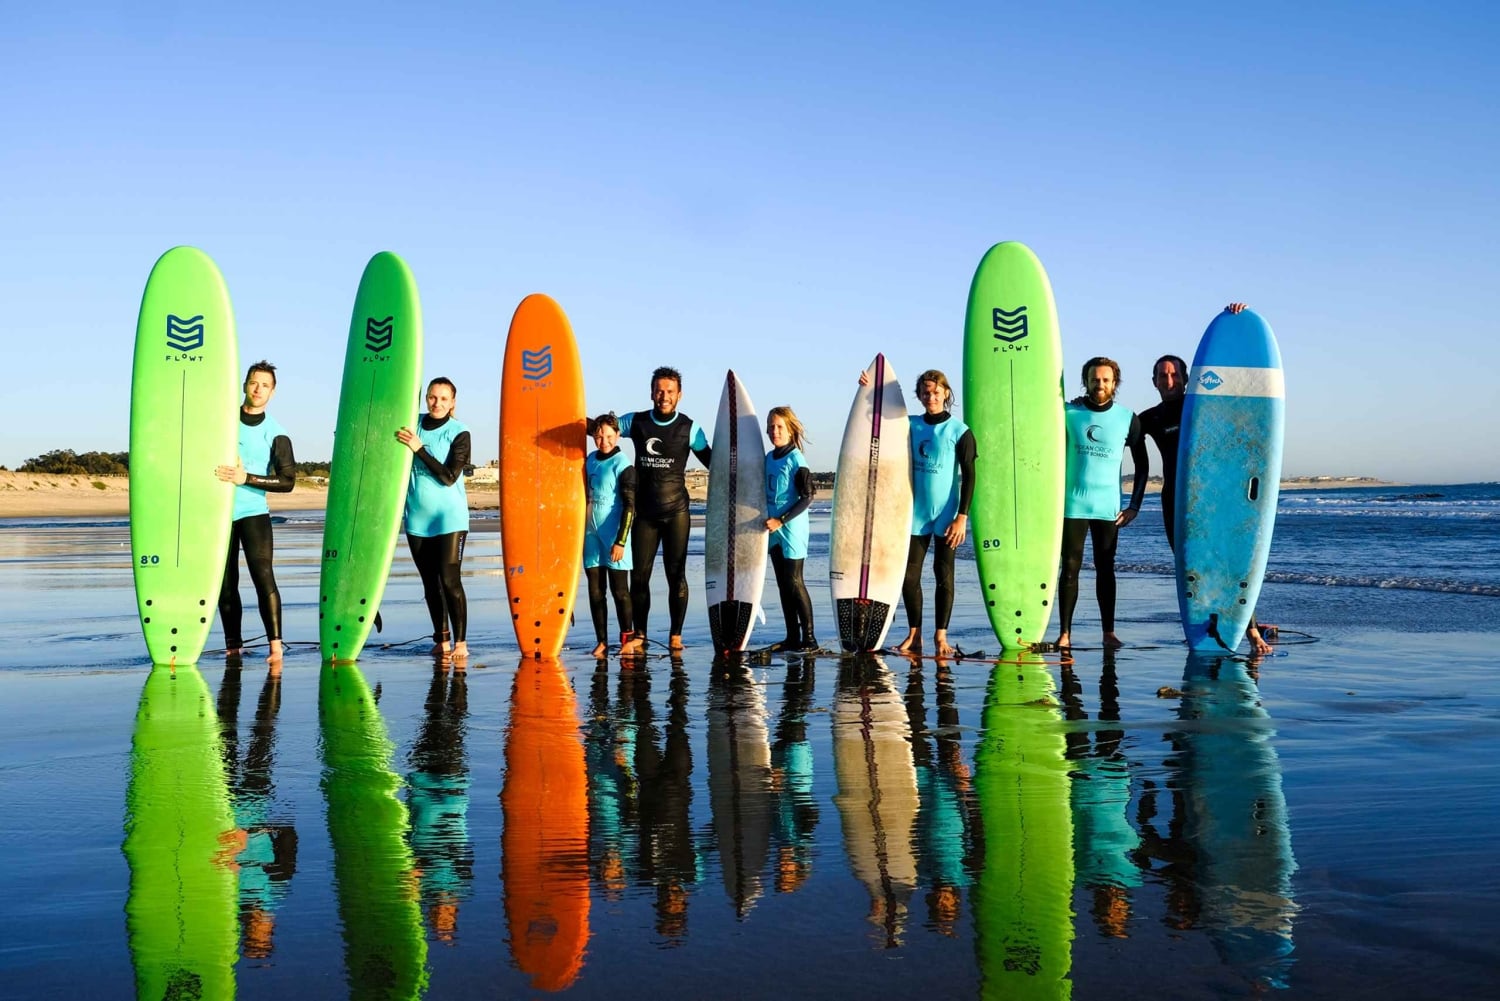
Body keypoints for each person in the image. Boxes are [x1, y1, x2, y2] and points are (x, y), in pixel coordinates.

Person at [1140, 303, 1273, 654]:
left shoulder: (1204, 407)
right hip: (1176, 502)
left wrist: (1236, 318)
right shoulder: (1149, 418)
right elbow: (1112, 434)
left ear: (1187, 378)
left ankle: (1252, 631)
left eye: (1175, 375)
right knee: (1191, 565)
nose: (1169, 381)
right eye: (1162, 376)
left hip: (1215, 499)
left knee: (1230, 560)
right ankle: (1200, 626)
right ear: (1154, 382)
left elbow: (1241, 425)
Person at [859, 367, 976, 657]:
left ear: (946, 393)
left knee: (943, 573)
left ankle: (941, 635)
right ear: (919, 395)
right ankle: (915, 634)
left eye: (936, 392)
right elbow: (877, 420)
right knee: (909, 577)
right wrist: (867, 389)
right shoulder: (910, 424)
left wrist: (963, 517)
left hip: (947, 514)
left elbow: (971, 475)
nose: (931, 396)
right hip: (915, 514)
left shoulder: (959, 431)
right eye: (925, 392)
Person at [1055, 357, 1148, 651]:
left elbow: (1143, 464)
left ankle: (1109, 632)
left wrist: (1134, 506)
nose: (1100, 384)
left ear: (1114, 383)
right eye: (1095, 379)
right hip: (1072, 505)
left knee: (1105, 568)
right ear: (1087, 381)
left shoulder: (1127, 418)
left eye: (1106, 380)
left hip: (1108, 507)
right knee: (1069, 568)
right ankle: (1065, 633)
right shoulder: (1068, 412)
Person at [617, 366, 712, 651]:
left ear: (679, 395)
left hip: (677, 513)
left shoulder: (689, 428)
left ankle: (676, 635)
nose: (664, 396)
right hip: (644, 513)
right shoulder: (635, 421)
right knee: (640, 576)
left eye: (670, 391)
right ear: (651, 393)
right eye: (659, 391)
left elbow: (713, 462)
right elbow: (602, 428)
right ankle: (641, 634)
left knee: (676, 575)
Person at [216, 360, 295, 668]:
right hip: (218, 514)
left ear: (272, 392)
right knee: (226, 583)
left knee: (263, 578)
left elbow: (288, 481)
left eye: (265, 385)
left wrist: (246, 478)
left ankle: (275, 647)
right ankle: (232, 646)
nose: (258, 389)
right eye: (253, 383)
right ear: (244, 385)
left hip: (253, 513)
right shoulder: (222, 421)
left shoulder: (276, 433)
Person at [396, 377, 471, 663]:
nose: (436, 403)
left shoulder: (459, 432)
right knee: (430, 583)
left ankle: (461, 641)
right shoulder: (411, 424)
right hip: (416, 516)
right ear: (425, 398)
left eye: (443, 399)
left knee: (450, 579)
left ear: (452, 402)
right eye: (432, 397)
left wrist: (419, 449)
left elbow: (449, 477)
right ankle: (442, 639)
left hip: (449, 518)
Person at [583, 413, 644, 658]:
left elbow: (630, 506)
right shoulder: (589, 461)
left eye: (609, 435)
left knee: (620, 591)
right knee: (595, 591)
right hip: (591, 534)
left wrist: (621, 541)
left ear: (618, 435)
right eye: (599, 436)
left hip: (615, 535)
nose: (604, 440)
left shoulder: (623, 464)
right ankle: (602, 641)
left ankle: (627, 638)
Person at [763, 406, 817, 652]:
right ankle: (792, 637)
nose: (775, 431)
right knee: (783, 584)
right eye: (772, 427)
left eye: (780, 427)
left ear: (790, 429)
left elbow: (807, 497)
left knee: (795, 581)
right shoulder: (768, 458)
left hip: (791, 528)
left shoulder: (796, 459)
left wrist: (781, 520)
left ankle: (810, 639)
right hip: (773, 531)